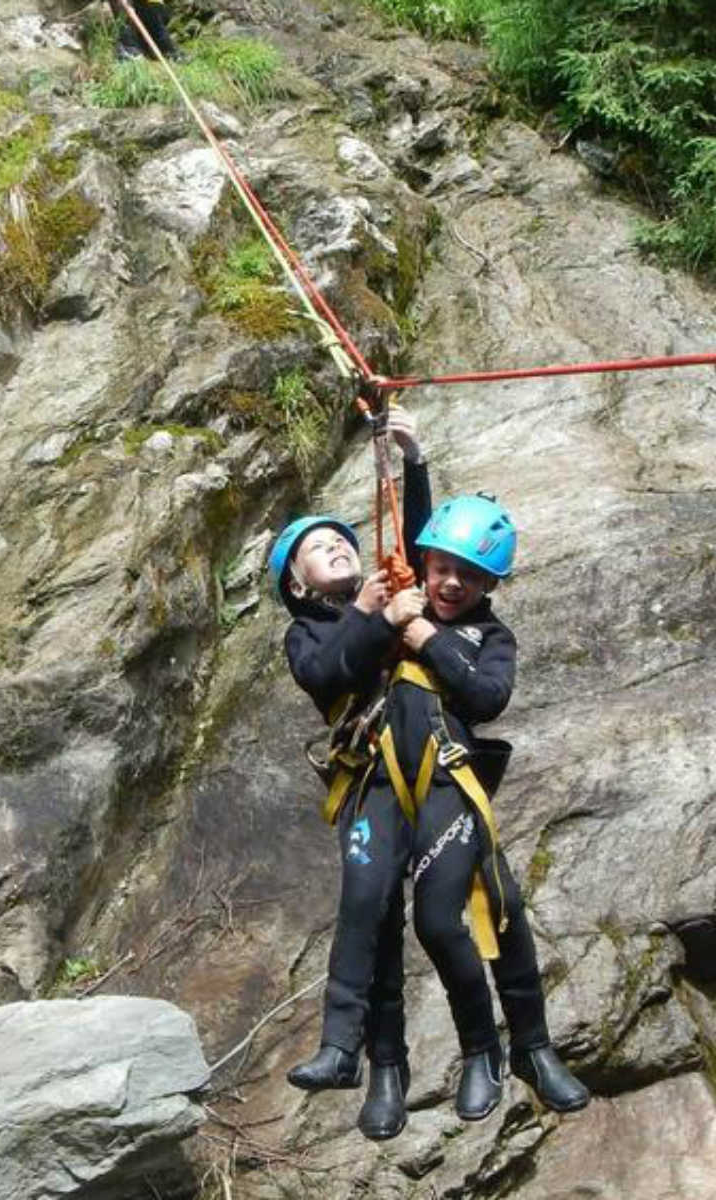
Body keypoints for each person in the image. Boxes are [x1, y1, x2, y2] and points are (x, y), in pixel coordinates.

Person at [389, 495, 590, 1120]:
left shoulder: (490, 637)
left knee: (488, 910)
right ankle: (495, 1049)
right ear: (425, 565)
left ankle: (520, 1049)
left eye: (470, 576)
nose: (451, 583)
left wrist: (429, 640)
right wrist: (411, 456)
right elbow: (409, 524)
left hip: (450, 784)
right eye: (442, 568)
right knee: (454, 917)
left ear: (489, 585)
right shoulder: (403, 604)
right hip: (390, 789)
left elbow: (486, 697)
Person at [268, 408, 428, 1141]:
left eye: (341, 540)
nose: (336, 545)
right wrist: (370, 617)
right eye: (317, 548)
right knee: (371, 906)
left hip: (431, 768)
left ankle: (496, 1049)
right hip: (370, 778)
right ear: (298, 585)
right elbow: (331, 672)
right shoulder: (306, 633)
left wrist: (413, 460)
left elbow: (422, 549)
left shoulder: (396, 593)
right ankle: (362, 1059)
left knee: (443, 917)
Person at [115, 0, 180, 60]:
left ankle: (169, 51)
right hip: (148, 6)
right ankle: (133, 49)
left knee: (157, 29)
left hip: (150, 6)